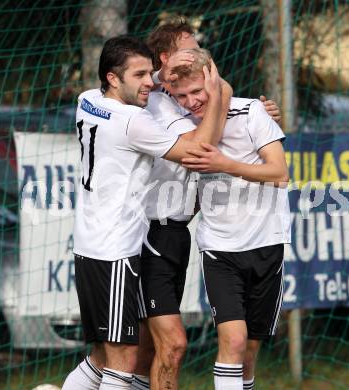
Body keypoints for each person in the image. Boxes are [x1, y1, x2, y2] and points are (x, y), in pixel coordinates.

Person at [62, 35, 226, 390]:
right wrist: (219, 95)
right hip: (115, 251)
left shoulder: (87, 100)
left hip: (89, 246)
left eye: (150, 72)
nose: (149, 82)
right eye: (139, 75)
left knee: (103, 357)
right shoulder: (131, 122)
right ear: (112, 78)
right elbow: (199, 151)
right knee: (123, 362)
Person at [131, 20, 282, 390]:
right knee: (169, 345)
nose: (200, 57)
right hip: (158, 234)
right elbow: (203, 153)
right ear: (166, 62)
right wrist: (221, 93)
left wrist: (260, 115)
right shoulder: (156, 104)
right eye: (190, 47)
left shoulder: (212, 104)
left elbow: (271, 165)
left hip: (189, 233)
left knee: (152, 349)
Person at [169, 48, 291, 390]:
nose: (191, 101)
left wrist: (225, 165)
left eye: (197, 91)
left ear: (213, 80)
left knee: (249, 350)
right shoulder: (182, 127)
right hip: (220, 248)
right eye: (181, 96)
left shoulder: (252, 111)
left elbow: (279, 172)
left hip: (267, 243)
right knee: (233, 341)